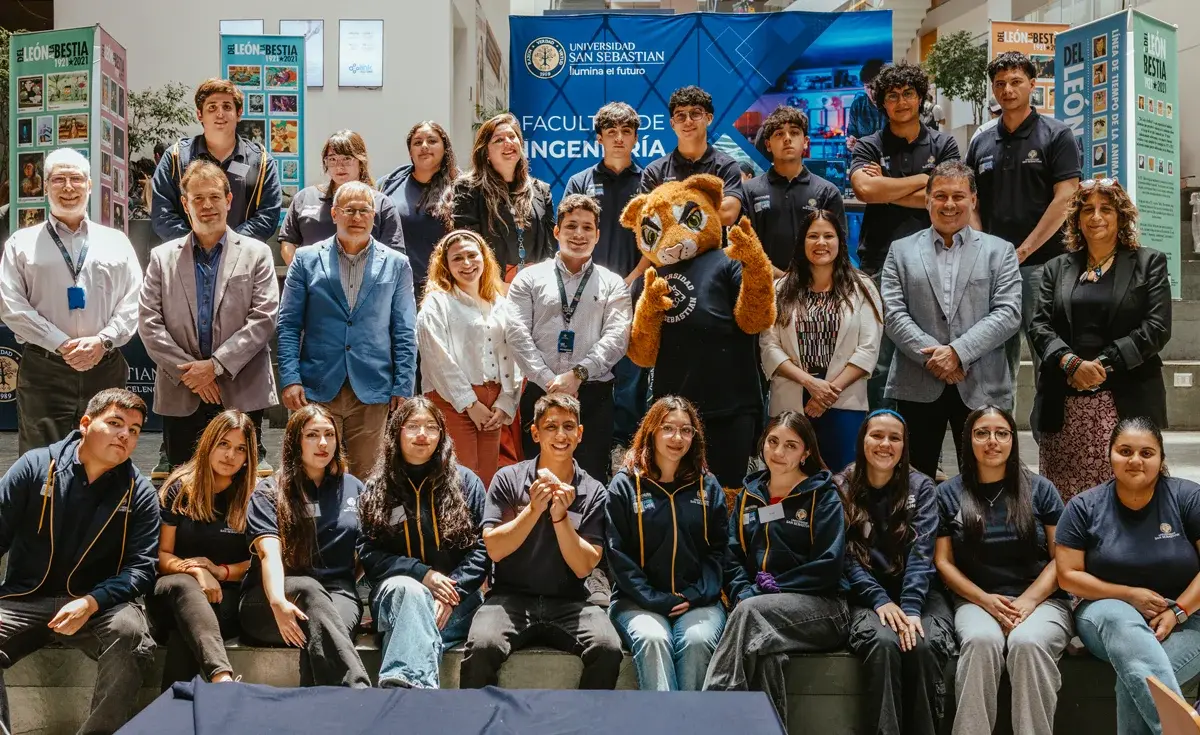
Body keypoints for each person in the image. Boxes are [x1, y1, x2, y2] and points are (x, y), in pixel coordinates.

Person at [0, 389, 157, 734]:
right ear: (85, 424)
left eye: (134, 430)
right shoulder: (35, 467)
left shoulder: (140, 491)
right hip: (27, 598)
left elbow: (142, 568)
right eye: (115, 423)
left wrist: (91, 601)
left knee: (131, 633)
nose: (125, 435)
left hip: (98, 606)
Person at [459, 394, 623, 689]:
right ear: (535, 433)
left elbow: (584, 566)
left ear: (580, 433)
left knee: (608, 648)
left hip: (571, 601)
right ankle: (482, 716)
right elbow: (494, 548)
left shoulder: (594, 490)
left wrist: (560, 518)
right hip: (509, 598)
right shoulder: (508, 478)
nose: (561, 435)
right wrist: (534, 510)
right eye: (551, 427)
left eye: (568, 427)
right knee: (482, 646)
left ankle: (584, 716)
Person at [1056, 417, 1200, 735]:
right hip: (1104, 614)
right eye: (1125, 451)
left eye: (1146, 453)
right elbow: (1067, 576)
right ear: (1110, 455)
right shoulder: (1084, 506)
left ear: (1161, 458)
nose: (1135, 460)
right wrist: (1128, 595)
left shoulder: (1189, 498)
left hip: (1189, 617)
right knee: (1118, 618)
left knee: (1136, 678)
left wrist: (1178, 612)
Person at [934, 405, 1072, 735]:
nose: (992, 441)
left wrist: (1028, 601)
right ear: (968, 440)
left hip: (1042, 601)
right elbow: (943, 562)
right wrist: (985, 600)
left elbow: (1063, 559)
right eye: (982, 433)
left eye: (1001, 433)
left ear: (1013, 440)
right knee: (981, 640)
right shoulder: (948, 493)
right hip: (976, 600)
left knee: (1028, 642)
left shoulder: (1040, 489)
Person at [1029, 179, 1170, 500]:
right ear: (1077, 219)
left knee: (1130, 497)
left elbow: (1157, 327)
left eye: (1106, 209)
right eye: (1087, 210)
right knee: (1065, 500)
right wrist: (1071, 363)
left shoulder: (1149, 263)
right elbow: (1039, 326)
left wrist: (1101, 365)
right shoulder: (1055, 268)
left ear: (1121, 216)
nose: (1096, 217)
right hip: (1064, 404)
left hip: (1127, 399)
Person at [704, 411, 848, 725]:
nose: (779, 452)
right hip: (759, 608)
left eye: (790, 445)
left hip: (823, 609)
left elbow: (829, 565)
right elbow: (731, 558)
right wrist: (744, 591)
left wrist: (777, 588)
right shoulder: (749, 496)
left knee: (749, 613)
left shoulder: (822, 496)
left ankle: (709, 716)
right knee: (766, 657)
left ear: (806, 453)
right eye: (773, 441)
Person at [881, 161, 1021, 478]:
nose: (949, 204)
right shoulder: (900, 251)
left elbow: (1009, 312)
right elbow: (892, 314)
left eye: (958, 196)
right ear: (927, 200)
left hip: (981, 382)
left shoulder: (1001, 251)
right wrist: (935, 357)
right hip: (918, 382)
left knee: (986, 480)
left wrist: (957, 353)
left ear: (973, 199)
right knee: (915, 482)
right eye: (940, 196)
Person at [0, 148, 142, 455]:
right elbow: (11, 305)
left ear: (89, 185)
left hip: (104, 366)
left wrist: (102, 341)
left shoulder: (116, 242)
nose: (68, 187)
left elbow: (134, 301)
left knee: (106, 457)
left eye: (76, 179)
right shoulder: (21, 243)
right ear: (45, 186)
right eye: (59, 179)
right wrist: (61, 343)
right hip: (44, 370)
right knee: (42, 461)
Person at [139, 160, 278, 469]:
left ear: (228, 201)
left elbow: (264, 318)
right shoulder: (162, 257)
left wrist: (214, 366)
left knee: (239, 485)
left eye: (214, 196)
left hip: (241, 393)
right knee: (184, 486)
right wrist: (192, 374)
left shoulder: (257, 254)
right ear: (185, 204)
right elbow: (149, 324)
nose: (207, 205)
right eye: (197, 198)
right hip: (182, 393)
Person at [277, 180, 418, 479]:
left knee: (366, 479)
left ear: (374, 216)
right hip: (316, 386)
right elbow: (288, 324)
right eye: (349, 210)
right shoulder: (305, 259)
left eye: (364, 211)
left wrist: (403, 386)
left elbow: (405, 331)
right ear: (334, 214)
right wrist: (290, 378)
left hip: (373, 388)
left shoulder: (397, 264)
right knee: (312, 475)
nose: (357, 217)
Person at [967, 52, 1082, 395]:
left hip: (1044, 267)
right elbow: (971, 201)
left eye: (1016, 82)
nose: (1007, 90)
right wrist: (984, 248)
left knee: (1050, 359)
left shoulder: (1057, 134)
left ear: (1033, 85)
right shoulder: (981, 141)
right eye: (1000, 84)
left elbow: (1066, 197)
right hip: (994, 270)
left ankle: (1051, 431)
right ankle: (997, 430)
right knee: (995, 366)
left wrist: (1023, 251)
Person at [850, 61, 961, 410]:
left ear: (920, 97)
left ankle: (922, 437)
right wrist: (926, 181)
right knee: (879, 357)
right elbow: (866, 190)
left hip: (939, 260)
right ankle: (880, 431)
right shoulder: (868, 145)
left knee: (930, 351)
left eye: (908, 93)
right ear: (882, 102)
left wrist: (888, 187)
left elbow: (949, 197)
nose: (901, 102)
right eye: (893, 96)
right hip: (880, 260)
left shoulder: (944, 143)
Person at [357, 397, 489, 689]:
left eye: (431, 427)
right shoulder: (377, 487)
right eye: (413, 426)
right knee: (410, 591)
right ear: (397, 432)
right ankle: (416, 696)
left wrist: (452, 592)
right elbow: (368, 551)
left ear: (442, 435)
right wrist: (422, 574)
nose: (422, 434)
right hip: (395, 592)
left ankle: (402, 690)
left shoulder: (466, 483)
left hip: (458, 598)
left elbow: (483, 548)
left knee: (412, 625)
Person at [838, 409, 954, 735]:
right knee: (883, 642)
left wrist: (912, 608)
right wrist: (879, 600)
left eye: (894, 438)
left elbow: (922, 553)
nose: (885, 444)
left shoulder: (922, 487)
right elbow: (845, 558)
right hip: (865, 595)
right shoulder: (841, 486)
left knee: (922, 644)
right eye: (877, 435)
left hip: (920, 594)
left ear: (904, 446)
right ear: (862, 440)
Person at [239, 404, 371, 688]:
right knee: (311, 593)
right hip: (270, 599)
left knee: (327, 631)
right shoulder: (269, 491)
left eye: (329, 435)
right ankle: (359, 693)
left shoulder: (354, 488)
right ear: (295, 441)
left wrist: (349, 577)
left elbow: (368, 549)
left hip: (337, 593)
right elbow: (269, 553)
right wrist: (277, 601)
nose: (323, 443)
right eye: (312, 435)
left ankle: (315, 709)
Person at [506, 194, 631, 483]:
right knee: (537, 481)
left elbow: (617, 338)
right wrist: (549, 381)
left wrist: (577, 375)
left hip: (594, 397)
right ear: (556, 231)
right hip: (539, 392)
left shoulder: (614, 284)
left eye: (587, 227)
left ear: (597, 235)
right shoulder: (528, 279)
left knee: (590, 482)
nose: (578, 234)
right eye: (571, 226)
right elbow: (516, 333)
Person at [605, 396, 727, 691]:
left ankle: (688, 716)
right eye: (668, 428)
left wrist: (696, 594)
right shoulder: (625, 484)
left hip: (697, 600)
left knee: (697, 641)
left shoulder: (708, 485)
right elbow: (616, 553)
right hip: (636, 601)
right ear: (652, 431)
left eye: (686, 430)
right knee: (653, 639)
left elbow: (720, 551)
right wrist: (653, 598)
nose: (677, 438)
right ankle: (667, 717)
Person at [760, 210, 882, 473]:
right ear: (802, 242)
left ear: (840, 241)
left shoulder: (863, 287)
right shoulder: (780, 288)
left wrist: (827, 393)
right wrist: (810, 383)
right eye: (813, 236)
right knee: (788, 477)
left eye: (829, 236)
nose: (821, 243)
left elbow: (868, 348)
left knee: (842, 481)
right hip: (790, 400)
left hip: (844, 401)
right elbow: (769, 346)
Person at [151, 410, 257, 688]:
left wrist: (220, 572)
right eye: (223, 444)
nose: (230, 455)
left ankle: (175, 709)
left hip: (224, 597)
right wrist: (197, 571)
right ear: (208, 444)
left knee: (185, 630)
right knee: (186, 588)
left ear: (248, 457)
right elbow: (161, 555)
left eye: (240, 449)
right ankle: (222, 680)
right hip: (172, 591)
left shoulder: (254, 496)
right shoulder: (179, 489)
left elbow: (258, 561)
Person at [563, 102, 646, 447]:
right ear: (599, 138)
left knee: (631, 374)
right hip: (588, 292)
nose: (619, 138)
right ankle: (590, 442)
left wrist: (632, 278)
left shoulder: (648, 181)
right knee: (590, 368)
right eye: (611, 132)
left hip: (636, 289)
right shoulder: (580, 181)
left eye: (626, 132)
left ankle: (625, 445)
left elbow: (656, 243)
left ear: (635, 138)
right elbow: (569, 236)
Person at [416, 229, 521, 487]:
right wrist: (469, 403)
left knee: (485, 479)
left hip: (493, 404)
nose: (466, 263)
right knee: (458, 478)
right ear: (445, 265)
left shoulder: (500, 303)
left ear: (484, 257)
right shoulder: (437, 303)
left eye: (472, 255)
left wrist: (506, 402)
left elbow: (516, 354)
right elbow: (437, 359)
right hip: (452, 400)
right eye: (457, 258)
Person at [150, 78, 281, 243]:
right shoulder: (175, 157)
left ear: (239, 113)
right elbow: (162, 214)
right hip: (186, 255)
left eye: (227, 107)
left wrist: (230, 245)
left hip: (243, 255)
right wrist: (197, 246)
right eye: (212, 107)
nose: (220, 114)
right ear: (199, 114)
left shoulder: (261, 161)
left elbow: (267, 216)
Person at [744, 106, 847, 277]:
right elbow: (744, 247)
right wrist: (782, 278)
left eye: (794, 132)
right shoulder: (749, 191)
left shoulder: (827, 192)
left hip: (814, 284)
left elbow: (837, 248)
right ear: (768, 145)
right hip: (764, 284)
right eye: (779, 134)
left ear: (805, 141)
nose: (787, 138)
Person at [450, 113, 555, 281]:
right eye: (499, 140)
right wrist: (497, 285)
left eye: (512, 137)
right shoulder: (468, 189)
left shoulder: (541, 191)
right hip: (489, 287)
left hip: (536, 287)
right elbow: (466, 246)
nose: (508, 142)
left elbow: (550, 247)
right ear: (486, 153)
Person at [279, 130, 404, 265]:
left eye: (347, 159)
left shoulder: (381, 203)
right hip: (312, 277)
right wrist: (302, 272)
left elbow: (394, 254)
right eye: (332, 159)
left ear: (361, 162)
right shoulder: (306, 197)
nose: (339, 166)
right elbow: (288, 243)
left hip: (364, 277)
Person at [378, 121, 458, 299]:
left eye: (432, 141)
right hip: (397, 288)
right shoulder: (388, 183)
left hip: (446, 289)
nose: (424, 146)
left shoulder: (461, 187)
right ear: (410, 152)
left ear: (445, 148)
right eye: (417, 142)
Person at [846, 59, 886, 150]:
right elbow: (851, 134)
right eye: (867, 87)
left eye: (875, 87)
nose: (872, 93)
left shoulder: (894, 105)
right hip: (865, 156)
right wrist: (851, 143)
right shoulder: (857, 106)